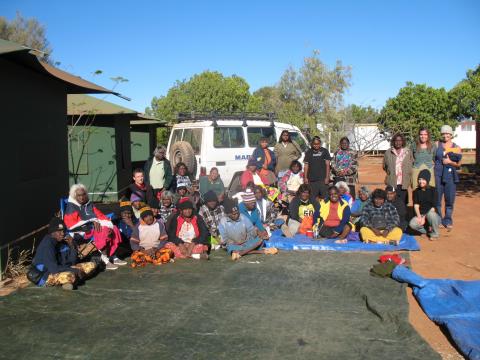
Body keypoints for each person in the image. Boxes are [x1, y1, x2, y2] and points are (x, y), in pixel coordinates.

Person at [64, 184, 126, 270]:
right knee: (102, 230)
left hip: (93, 227)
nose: (82, 198)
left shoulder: (88, 204)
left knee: (113, 228)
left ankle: (112, 255)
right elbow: (71, 226)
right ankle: (105, 260)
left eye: (83, 194)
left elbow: (100, 215)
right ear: (74, 196)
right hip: (81, 231)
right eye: (79, 195)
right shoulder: (71, 207)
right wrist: (90, 221)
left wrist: (108, 224)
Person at [30, 217, 97, 290]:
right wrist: (75, 270)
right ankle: (69, 281)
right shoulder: (48, 245)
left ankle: (69, 282)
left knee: (91, 265)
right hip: (46, 275)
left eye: (63, 231)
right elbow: (54, 269)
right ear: (52, 232)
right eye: (59, 231)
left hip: (62, 268)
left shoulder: (62, 242)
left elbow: (72, 262)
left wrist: (72, 246)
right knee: (70, 275)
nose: (62, 234)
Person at [434, 125, 462, 229]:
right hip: (438, 175)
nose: (445, 135)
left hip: (450, 177)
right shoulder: (437, 144)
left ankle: (448, 220)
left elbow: (459, 164)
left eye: (448, 133)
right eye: (443, 133)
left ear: (451, 135)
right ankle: (439, 220)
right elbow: (432, 159)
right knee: (437, 200)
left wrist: (450, 162)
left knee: (449, 200)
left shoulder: (456, 147)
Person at [409, 169, 441, 239]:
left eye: (423, 179)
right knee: (412, 224)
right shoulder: (416, 191)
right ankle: (427, 231)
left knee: (431, 214)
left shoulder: (434, 190)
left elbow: (433, 207)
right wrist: (419, 217)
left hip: (432, 216)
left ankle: (435, 233)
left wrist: (424, 217)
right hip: (421, 215)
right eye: (419, 179)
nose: (421, 181)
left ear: (427, 180)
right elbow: (416, 205)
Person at [383, 133, 413, 205]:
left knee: (403, 203)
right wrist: (391, 172)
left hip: (404, 182)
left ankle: (403, 216)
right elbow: (385, 166)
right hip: (392, 182)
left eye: (400, 140)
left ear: (403, 141)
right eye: (396, 140)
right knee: (391, 202)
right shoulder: (388, 152)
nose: (398, 142)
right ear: (393, 141)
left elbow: (411, 164)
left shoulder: (408, 152)